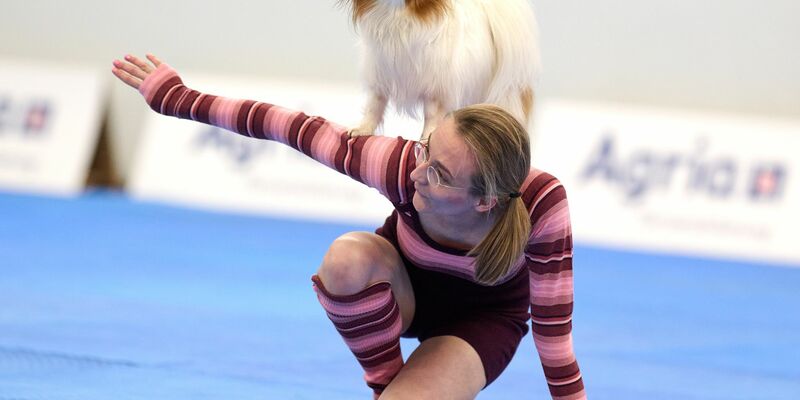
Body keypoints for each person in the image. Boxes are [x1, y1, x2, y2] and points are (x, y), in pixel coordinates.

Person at [112, 54, 587, 400]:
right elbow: (288, 126)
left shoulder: (542, 205)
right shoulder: (400, 165)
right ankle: (385, 384)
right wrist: (179, 98)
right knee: (346, 258)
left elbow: (554, 336)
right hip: (399, 292)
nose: (418, 173)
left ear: (485, 200)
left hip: (482, 323)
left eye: (440, 174)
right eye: (426, 150)